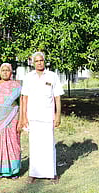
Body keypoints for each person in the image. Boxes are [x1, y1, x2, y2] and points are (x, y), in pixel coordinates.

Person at [21, 51, 64, 184]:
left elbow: (57, 97)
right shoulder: (28, 77)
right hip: (33, 116)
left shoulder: (52, 76)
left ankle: (52, 174)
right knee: (34, 146)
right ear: (33, 63)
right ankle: (33, 173)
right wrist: (23, 117)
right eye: (37, 61)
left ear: (44, 61)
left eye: (41, 60)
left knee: (49, 145)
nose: (39, 63)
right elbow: (24, 98)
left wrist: (58, 115)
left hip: (47, 117)